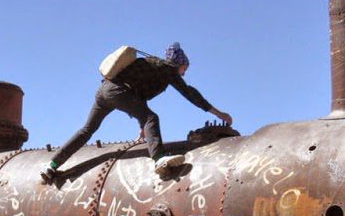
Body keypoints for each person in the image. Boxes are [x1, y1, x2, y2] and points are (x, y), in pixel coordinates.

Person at [42, 43, 232, 182]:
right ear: (178, 64)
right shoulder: (168, 70)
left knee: (87, 130)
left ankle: (52, 166)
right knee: (151, 117)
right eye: (185, 68)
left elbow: (137, 94)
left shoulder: (151, 65)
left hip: (104, 91)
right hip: (118, 91)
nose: (184, 73)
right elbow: (190, 94)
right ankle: (158, 160)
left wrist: (143, 128)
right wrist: (218, 113)